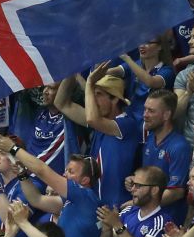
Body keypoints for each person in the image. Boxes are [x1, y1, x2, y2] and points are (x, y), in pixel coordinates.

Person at [54, 71, 138, 207]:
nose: (93, 100)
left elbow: (92, 119)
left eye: (98, 94)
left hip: (115, 209)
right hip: (95, 205)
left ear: (115, 99)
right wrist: (70, 68)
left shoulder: (127, 124)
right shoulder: (101, 123)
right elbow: (61, 104)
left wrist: (88, 84)